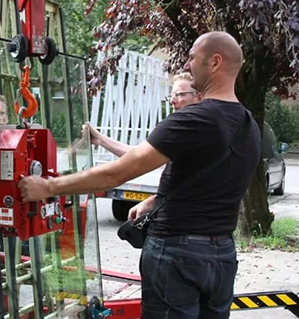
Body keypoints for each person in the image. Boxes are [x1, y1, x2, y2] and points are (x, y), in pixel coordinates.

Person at [18, 31, 261, 318]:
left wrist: (48, 188)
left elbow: (118, 174)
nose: (188, 62)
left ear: (215, 61)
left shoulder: (194, 118)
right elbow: (207, 182)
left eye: (193, 56)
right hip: (221, 253)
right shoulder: (249, 125)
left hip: (177, 254)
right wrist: (156, 201)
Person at [84, 72, 201, 157]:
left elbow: (139, 156)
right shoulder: (201, 124)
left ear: (198, 97)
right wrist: (100, 139)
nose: (172, 101)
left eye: (180, 95)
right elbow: (139, 153)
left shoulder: (183, 127)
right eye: (172, 95)